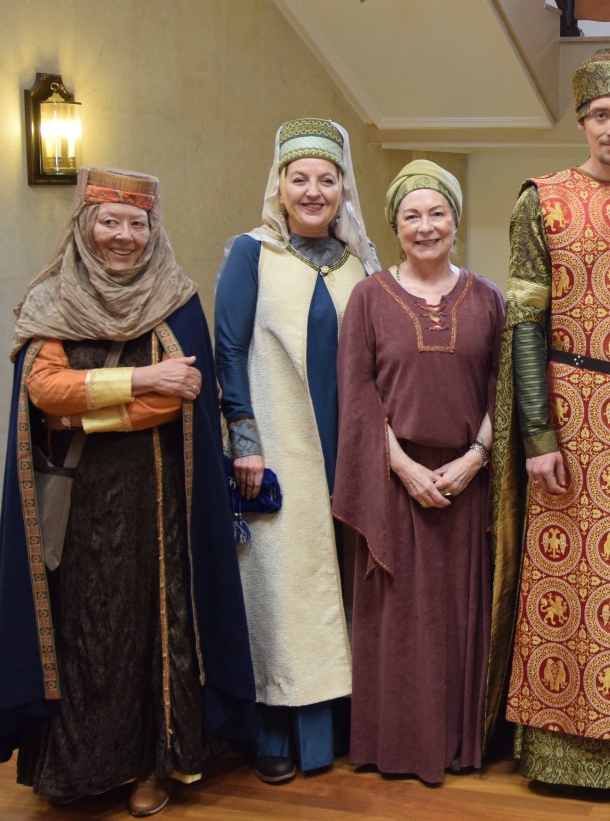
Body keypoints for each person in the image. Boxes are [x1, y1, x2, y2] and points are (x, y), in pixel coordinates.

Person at [0, 168, 256, 818]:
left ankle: (153, 768)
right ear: (85, 225)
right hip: (78, 507)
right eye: (110, 221)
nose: (123, 236)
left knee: (151, 635)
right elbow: (44, 392)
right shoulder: (51, 297)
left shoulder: (176, 300)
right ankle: (78, 767)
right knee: (83, 635)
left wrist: (84, 413)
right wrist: (144, 379)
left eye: (137, 223)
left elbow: (181, 399)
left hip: (158, 503)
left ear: (154, 230)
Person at [493, 47, 610, 788]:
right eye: (601, 115)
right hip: (572, 416)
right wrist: (537, 433)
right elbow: (526, 327)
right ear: (582, 121)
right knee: (570, 578)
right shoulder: (541, 200)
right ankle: (562, 749)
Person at [215, 118, 379, 784]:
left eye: (326, 179)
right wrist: (245, 443)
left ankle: (341, 727)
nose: (313, 191)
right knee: (284, 586)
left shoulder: (359, 265)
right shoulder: (250, 254)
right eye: (299, 178)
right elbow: (228, 350)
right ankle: (277, 731)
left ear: (343, 189)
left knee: (341, 583)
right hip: (279, 449)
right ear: (279, 185)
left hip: (349, 449)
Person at [333, 160, 504, 782]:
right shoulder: (368, 298)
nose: (426, 226)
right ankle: (398, 745)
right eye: (412, 216)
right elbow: (358, 395)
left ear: (456, 220)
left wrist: (475, 459)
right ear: (395, 225)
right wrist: (403, 468)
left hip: (467, 484)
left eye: (438, 213)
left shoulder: (487, 298)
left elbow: (503, 390)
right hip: (394, 484)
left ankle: (458, 743)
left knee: (457, 620)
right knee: (400, 622)